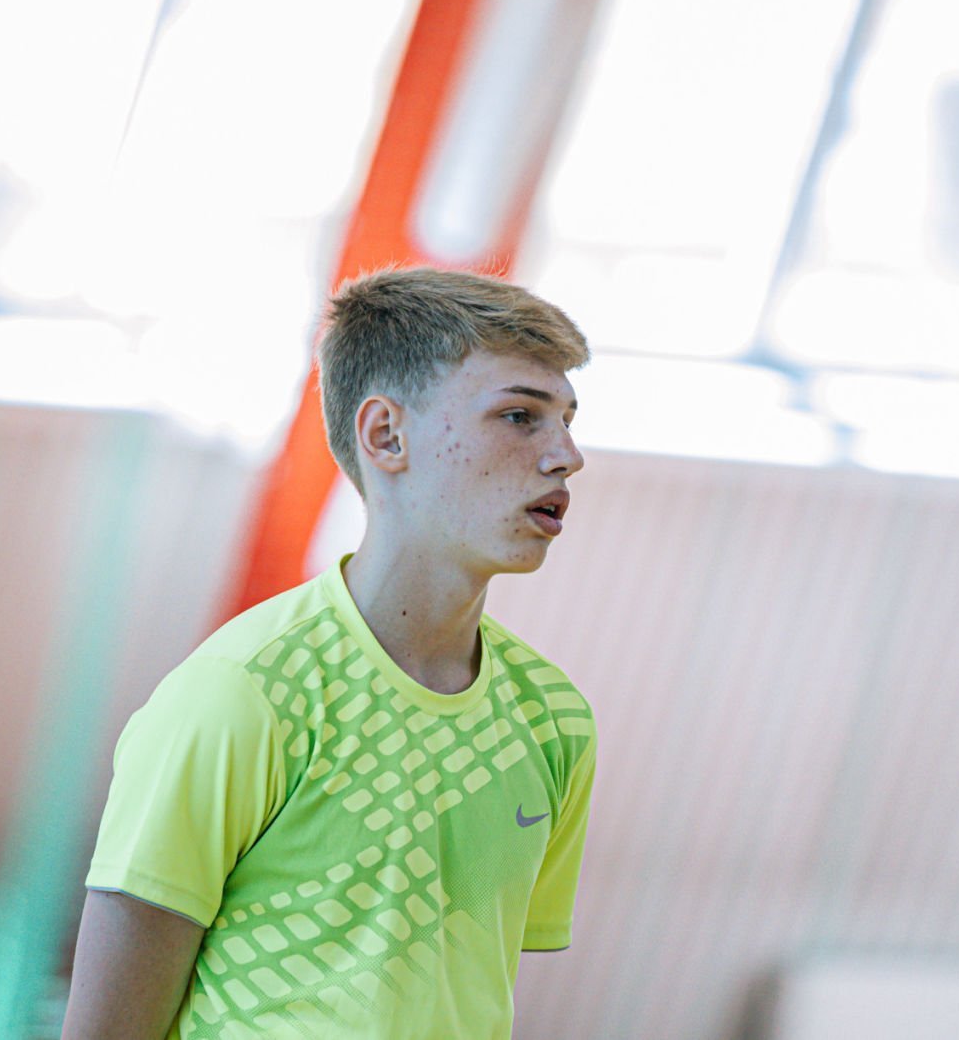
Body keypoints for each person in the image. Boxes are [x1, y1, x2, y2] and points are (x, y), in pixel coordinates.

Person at [62, 266, 598, 1039]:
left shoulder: (555, 720)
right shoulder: (240, 694)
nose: (566, 455)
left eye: (568, 420)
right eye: (521, 416)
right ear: (387, 435)